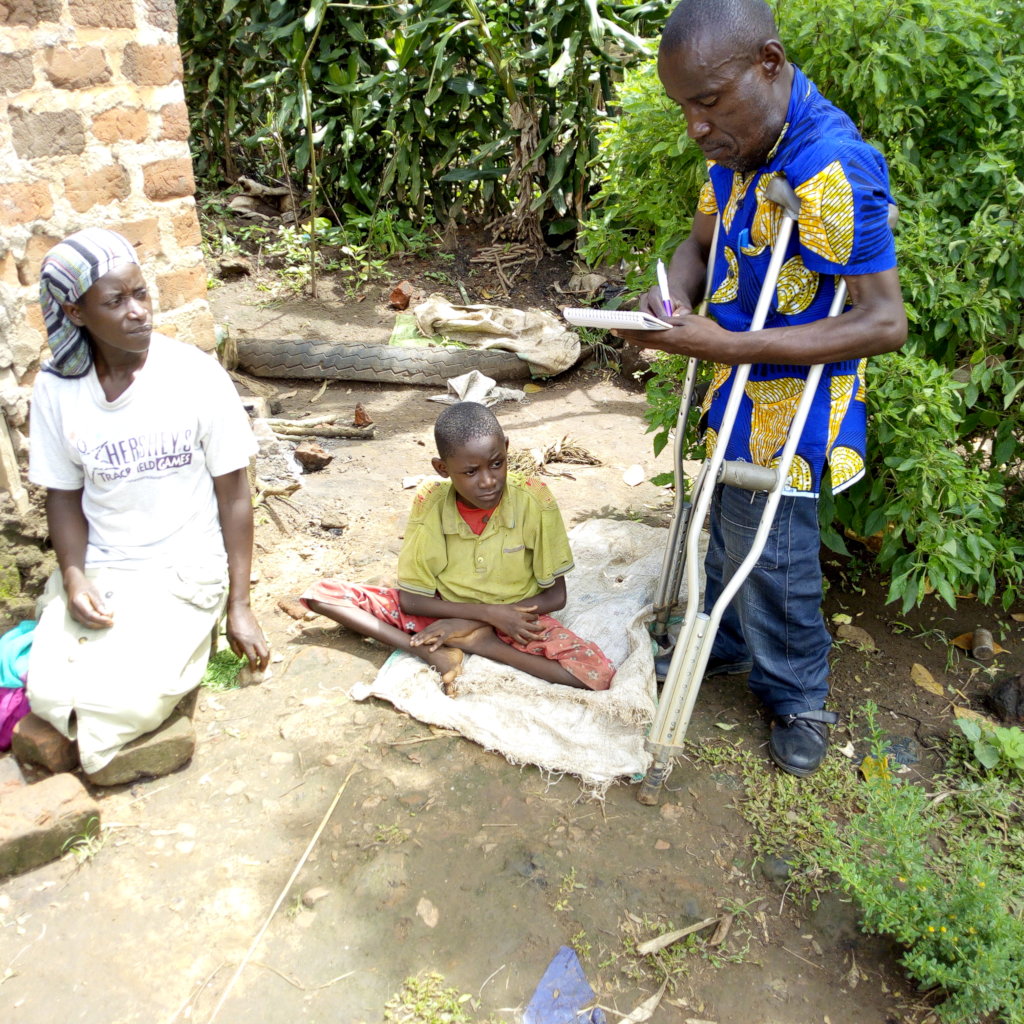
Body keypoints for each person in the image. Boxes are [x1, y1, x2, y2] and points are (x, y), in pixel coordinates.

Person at [615, 0, 907, 776]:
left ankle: (798, 695)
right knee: (723, 521)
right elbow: (700, 241)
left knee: (773, 556)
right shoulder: (735, 149)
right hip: (734, 386)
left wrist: (731, 343)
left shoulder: (832, 169)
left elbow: (883, 323)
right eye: (684, 108)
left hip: (796, 405)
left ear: (768, 64)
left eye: (708, 102)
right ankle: (730, 640)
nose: (696, 127)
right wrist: (672, 291)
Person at [27, 228, 269, 782]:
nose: (138, 312)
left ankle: (174, 648)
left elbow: (234, 493)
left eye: (141, 293)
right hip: (108, 566)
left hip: (184, 569)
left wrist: (239, 603)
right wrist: (73, 574)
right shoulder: (58, 390)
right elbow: (62, 496)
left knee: (121, 703)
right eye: (116, 301)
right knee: (47, 691)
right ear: (77, 311)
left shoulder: (192, 375)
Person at [301, 401, 615, 692]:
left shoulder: (534, 498)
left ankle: (483, 645)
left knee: (594, 673)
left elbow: (556, 596)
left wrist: (480, 625)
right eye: (470, 472)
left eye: (496, 464)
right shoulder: (430, 503)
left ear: (506, 450)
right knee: (322, 595)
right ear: (442, 469)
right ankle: (430, 652)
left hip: (517, 617)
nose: (488, 481)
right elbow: (412, 601)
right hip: (443, 612)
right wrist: (485, 614)